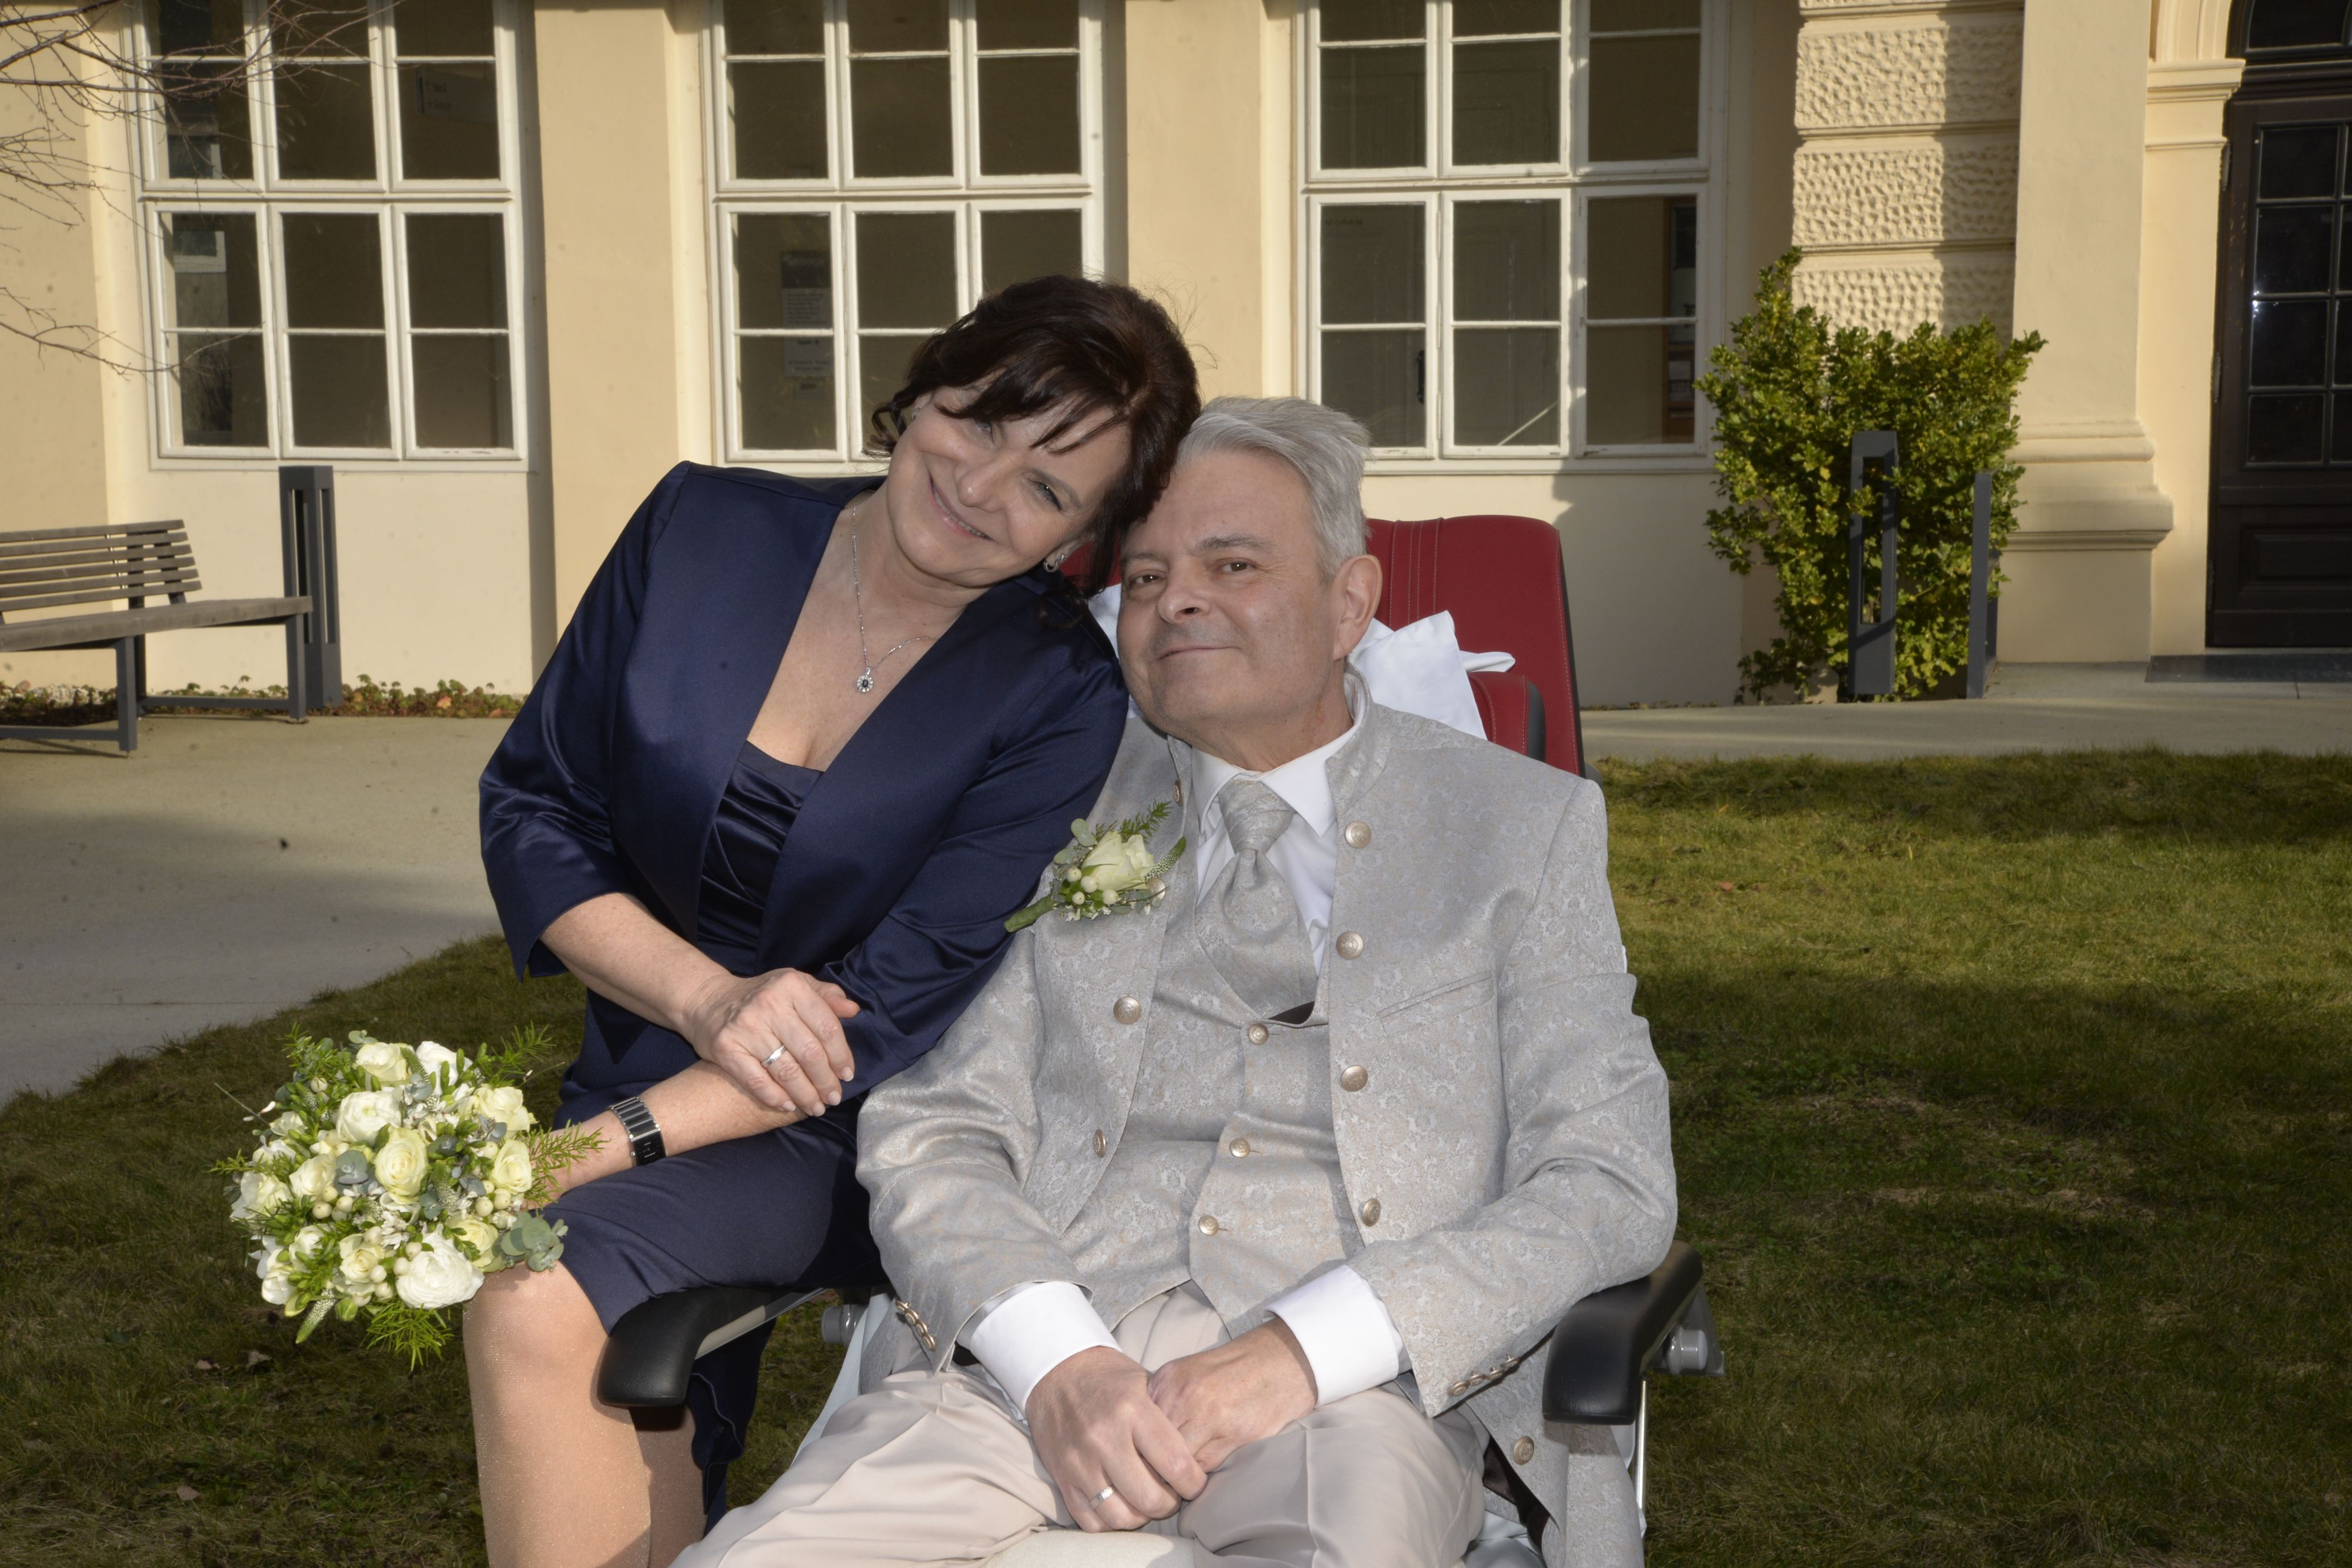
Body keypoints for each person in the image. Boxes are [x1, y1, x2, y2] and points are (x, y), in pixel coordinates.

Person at [681, 397, 1677, 1568]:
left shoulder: (1518, 826)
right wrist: (1059, 1361)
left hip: (1357, 1401)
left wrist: (1302, 1350)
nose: (1176, 602)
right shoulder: (1044, 804)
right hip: (1021, 1385)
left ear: (1349, 603)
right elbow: (933, 1128)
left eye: (1232, 565)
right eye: (1146, 577)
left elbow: (1606, 1179)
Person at [469, 276, 1200, 1568]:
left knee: (534, 1290)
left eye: (1047, 487)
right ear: (927, 384)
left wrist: (594, 1149)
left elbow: (895, 1002)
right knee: (591, 1354)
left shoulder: (1059, 693)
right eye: (980, 420)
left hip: (850, 1126)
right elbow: (538, 804)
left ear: (1084, 540)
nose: (980, 485)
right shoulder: (697, 524)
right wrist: (701, 1001)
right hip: (639, 1047)